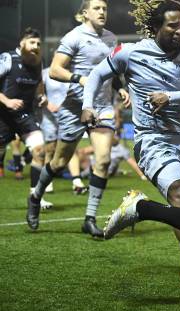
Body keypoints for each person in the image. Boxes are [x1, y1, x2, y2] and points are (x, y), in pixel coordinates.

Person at [83, 0, 180, 291]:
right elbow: (96, 75)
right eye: (173, 26)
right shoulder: (129, 52)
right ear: (155, 27)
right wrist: (87, 105)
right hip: (152, 142)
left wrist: (171, 96)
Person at [27, 0, 131, 237]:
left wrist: (119, 86)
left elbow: (112, 68)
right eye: (96, 8)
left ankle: (90, 218)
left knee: (103, 160)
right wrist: (82, 80)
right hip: (74, 107)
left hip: (102, 106)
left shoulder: (111, 38)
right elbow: (55, 70)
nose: (102, 12)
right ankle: (35, 196)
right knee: (59, 162)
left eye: (104, 8)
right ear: (84, 13)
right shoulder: (73, 37)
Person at [0, 28, 48, 208]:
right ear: (22, 43)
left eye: (38, 43)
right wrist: (7, 101)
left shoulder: (38, 62)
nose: (36, 46)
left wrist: (41, 96)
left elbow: (39, 84)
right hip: (2, 115)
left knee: (40, 150)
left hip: (24, 115)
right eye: (32, 43)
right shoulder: (8, 59)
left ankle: (35, 197)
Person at [40, 66, 89, 195]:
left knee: (70, 146)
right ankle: (48, 181)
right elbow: (38, 90)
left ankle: (76, 181)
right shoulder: (46, 73)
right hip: (50, 114)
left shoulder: (74, 74)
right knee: (50, 148)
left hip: (68, 113)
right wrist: (47, 103)